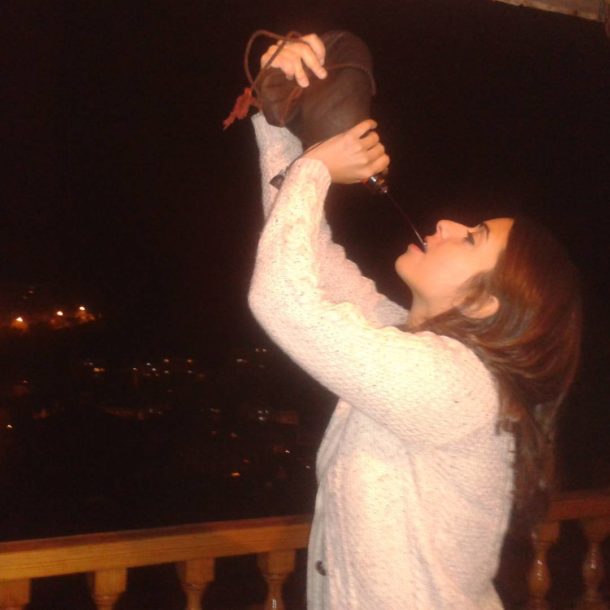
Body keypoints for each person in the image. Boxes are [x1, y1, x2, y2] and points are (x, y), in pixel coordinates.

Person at [248, 34, 582, 610]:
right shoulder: (405, 340)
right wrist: (281, 125)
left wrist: (315, 168)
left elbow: (282, 300)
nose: (449, 224)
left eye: (472, 237)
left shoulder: (459, 387)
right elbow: (312, 263)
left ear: (486, 304)